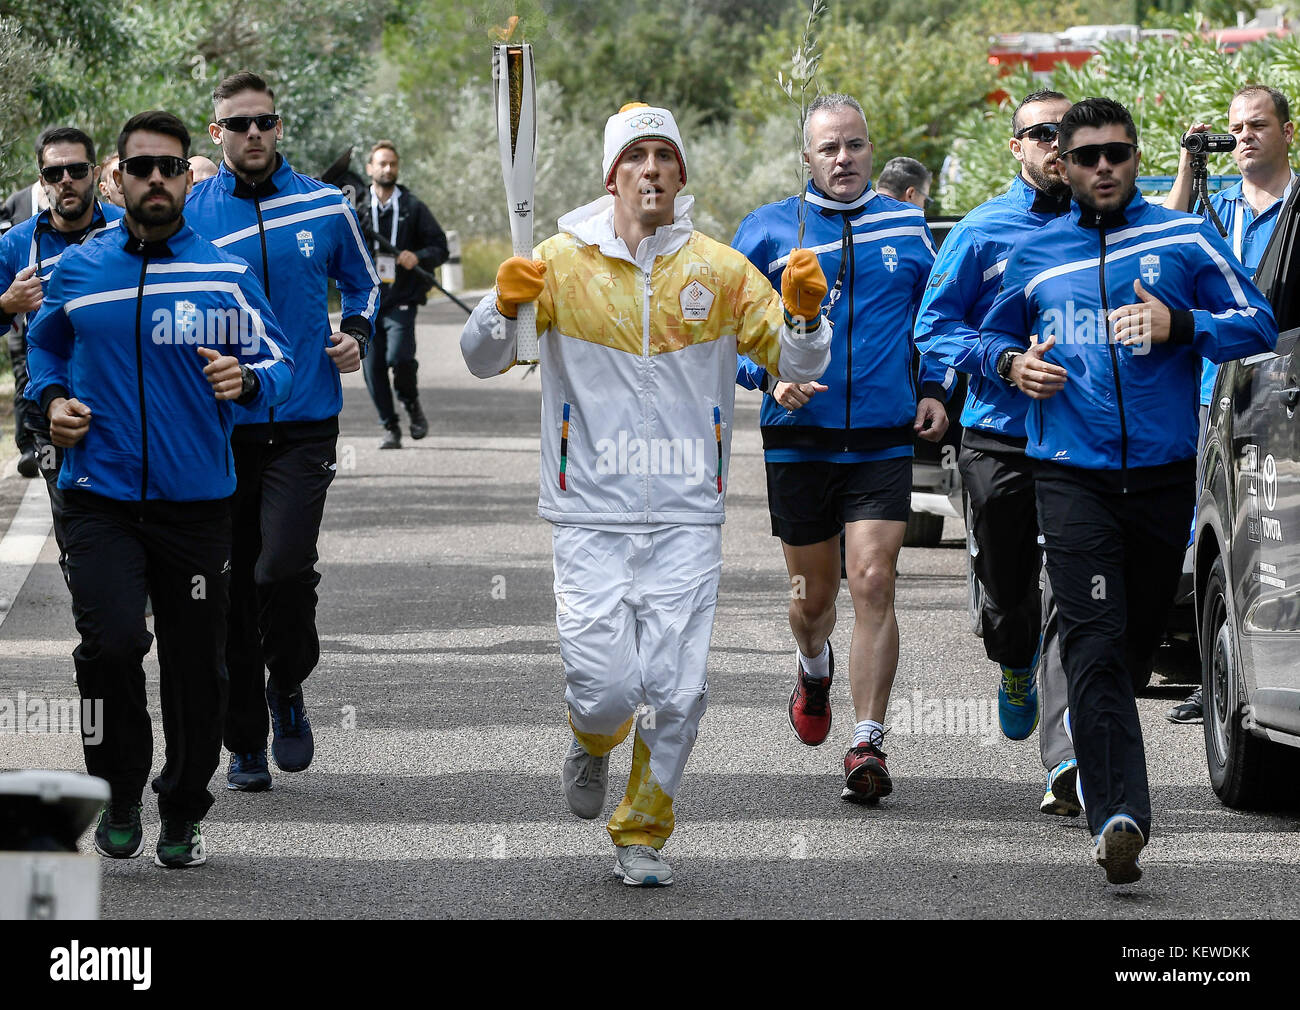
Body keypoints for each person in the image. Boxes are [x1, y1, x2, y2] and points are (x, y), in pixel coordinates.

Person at [461, 102, 831, 886]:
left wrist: (805, 313)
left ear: (682, 174)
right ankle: (591, 740)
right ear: (614, 174)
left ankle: (641, 831)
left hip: (687, 514)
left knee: (676, 692)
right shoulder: (557, 263)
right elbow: (482, 359)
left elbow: (797, 361)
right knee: (603, 690)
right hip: (588, 512)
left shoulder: (722, 271)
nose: (653, 168)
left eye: (666, 155)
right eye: (638, 156)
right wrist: (501, 303)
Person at [979, 97, 1276, 884]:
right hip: (1068, 473)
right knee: (1095, 642)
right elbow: (952, 330)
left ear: (1135, 158)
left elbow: (1257, 320)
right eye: (1087, 156)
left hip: (1162, 474)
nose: (1103, 167)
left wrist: (1182, 328)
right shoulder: (1036, 253)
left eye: (1117, 153)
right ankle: (1120, 816)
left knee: (1135, 642)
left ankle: (1109, 772)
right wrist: (1010, 365)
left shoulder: (1182, 237)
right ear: (1064, 168)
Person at [25, 110, 293, 868]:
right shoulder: (78, 267)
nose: (154, 180)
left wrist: (246, 380)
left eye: (168, 167)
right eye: (139, 168)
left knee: (194, 667)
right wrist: (50, 403)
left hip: (196, 507)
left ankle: (182, 805)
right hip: (98, 498)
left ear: (186, 177)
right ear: (118, 178)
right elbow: (45, 343)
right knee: (110, 647)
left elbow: (281, 363)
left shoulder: (223, 273)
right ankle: (115, 789)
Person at [734, 94, 950, 804]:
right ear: (807, 157)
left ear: (869, 148)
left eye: (855, 145)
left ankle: (867, 742)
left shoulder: (907, 226)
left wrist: (937, 386)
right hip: (799, 442)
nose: (844, 159)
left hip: (883, 439)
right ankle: (812, 664)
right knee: (811, 600)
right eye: (829, 148)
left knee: (875, 579)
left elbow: (940, 317)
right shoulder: (767, 231)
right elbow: (725, 335)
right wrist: (768, 375)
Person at [186, 71, 379, 792]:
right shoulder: (192, 213)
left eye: (264, 121)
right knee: (230, 589)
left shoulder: (326, 206)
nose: (254, 134)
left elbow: (363, 282)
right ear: (217, 134)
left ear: (278, 126)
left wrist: (356, 331)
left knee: (283, 570)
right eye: (239, 124)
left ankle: (287, 683)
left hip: (303, 421)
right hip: (220, 428)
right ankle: (243, 741)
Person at [914, 89, 1082, 816]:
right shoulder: (981, 232)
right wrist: (1005, 361)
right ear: (1015, 147)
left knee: (1073, 598)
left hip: (1082, 441)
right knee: (1011, 595)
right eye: (1040, 133)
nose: (1056, 143)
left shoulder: (1108, 225)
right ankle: (1013, 662)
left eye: (1066, 132)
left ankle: (1068, 756)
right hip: (998, 435)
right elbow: (934, 327)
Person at [1162, 84, 1295, 725]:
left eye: (1258, 125)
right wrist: (1191, 162)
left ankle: (1252, 679)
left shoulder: (1296, 213)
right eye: (1235, 129)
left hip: (1275, 399)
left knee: (1259, 541)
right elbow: (1161, 237)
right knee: (1210, 539)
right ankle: (1214, 679)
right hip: (1211, 396)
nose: (1243, 136)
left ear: (1288, 133)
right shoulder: (1217, 214)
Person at [0, 128, 123, 553]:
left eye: (75, 169)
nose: (65, 180)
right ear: (41, 181)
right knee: (79, 539)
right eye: (54, 173)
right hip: (50, 411)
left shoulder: (128, 229)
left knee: (140, 525)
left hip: (125, 401)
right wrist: (7, 303)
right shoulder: (16, 244)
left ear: (93, 173)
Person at [356, 139, 448, 449]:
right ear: (370, 169)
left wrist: (417, 257)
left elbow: (440, 247)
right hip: (365, 300)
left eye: (392, 164)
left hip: (402, 297)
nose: (387, 169)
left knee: (400, 357)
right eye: (381, 163)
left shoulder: (412, 207)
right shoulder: (355, 209)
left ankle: (411, 404)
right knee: (373, 365)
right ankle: (390, 427)